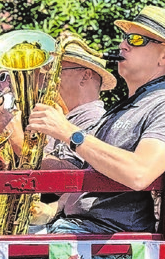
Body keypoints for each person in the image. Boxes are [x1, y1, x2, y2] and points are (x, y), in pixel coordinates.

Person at [27, 5, 165, 234]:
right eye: (125, 38)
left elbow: (139, 173)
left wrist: (69, 133)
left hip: (115, 245)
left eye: (136, 40)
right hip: (78, 232)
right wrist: (55, 207)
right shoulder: (120, 110)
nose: (122, 45)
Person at [40, 33, 116, 169]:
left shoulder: (94, 118)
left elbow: (68, 179)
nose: (51, 79)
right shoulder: (62, 115)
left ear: (86, 75)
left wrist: (20, 145)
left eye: (58, 71)